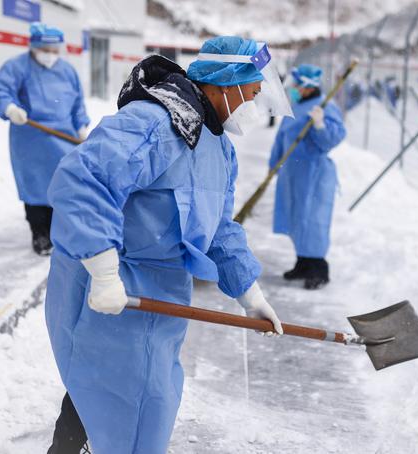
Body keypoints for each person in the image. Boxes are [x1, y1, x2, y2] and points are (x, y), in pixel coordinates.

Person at [44, 36, 290, 453]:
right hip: (109, 288)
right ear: (226, 84)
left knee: (130, 397)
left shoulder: (219, 148)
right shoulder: (156, 122)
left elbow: (218, 228)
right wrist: (103, 270)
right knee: (119, 400)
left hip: (159, 295)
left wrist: (250, 292)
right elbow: (82, 179)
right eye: (252, 91)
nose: (256, 99)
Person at [0, 22, 89, 255]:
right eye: (45, 51)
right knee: (35, 187)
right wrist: (10, 108)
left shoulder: (67, 71)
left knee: (62, 186)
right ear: (33, 47)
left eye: (55, 51)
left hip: (64, 138)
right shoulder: (16, 67)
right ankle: (40, 234)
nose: (50, 56)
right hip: (31, 139)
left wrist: (81, 125)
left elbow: (77, 102)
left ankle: (57, 232)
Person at [270, 64, 346, 290]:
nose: (292, 88)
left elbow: (332, 139)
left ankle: (319, 269)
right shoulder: (296, 105)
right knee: (297, 219)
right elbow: (282, 137)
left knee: (313, 221)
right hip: (294, 174)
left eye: (296, 84)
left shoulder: (324, 106)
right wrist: (274, 165)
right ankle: (303, 263)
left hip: (314, 175)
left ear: (306, 86)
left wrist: (320, 126)